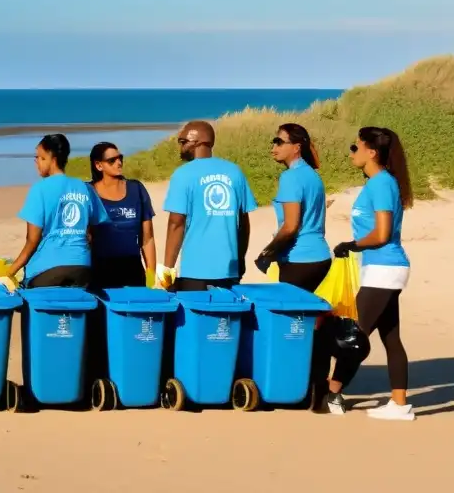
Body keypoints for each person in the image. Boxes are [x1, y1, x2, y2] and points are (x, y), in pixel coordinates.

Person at [325, 127, 414, 421]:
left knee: (353, 336)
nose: (352, 152)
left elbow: (383, 233)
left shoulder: (381, 184)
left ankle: (333, 391)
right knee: (391, 338)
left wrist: (351, 244)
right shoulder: (379, 183)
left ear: (371, 152)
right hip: (383, 268)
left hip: (385, 268)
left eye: (356, 147)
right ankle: (399, 405)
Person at [160, 121, 257, 291]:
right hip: (229, 269)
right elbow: (243, 224)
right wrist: (240, 259)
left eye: (183, 142)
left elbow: (176, 222)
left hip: (195, 271)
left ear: (200, 141)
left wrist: (168, 270)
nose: (181, 147)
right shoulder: (235, 172)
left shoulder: (183, 174)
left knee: (198, 316)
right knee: (226, 317)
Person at [7, 134, 108, 288]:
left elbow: (32, 241)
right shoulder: (84, 187)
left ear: (52, 159)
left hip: (47, 269)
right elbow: (92, 232)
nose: (37, 163)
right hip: (82, 267)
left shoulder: (39, 189)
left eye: (40, 158)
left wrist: (9, 272)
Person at [257, 123, 332, 292]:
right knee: (305, 314)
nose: (274, 147)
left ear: (296, 147)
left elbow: (290, 226)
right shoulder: (313, 175)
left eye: (279, 142)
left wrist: (267, 253)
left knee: (290, 317)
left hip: (300, 259)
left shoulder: (291, 177)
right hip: (320, 256)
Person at [87, 142, 156, 289]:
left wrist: (151, 276)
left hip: (133, 271)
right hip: (100, 272)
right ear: (99, 165)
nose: (118, 163)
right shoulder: (88, 192)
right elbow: (85, 238)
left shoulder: (136, 189)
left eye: (120, 158)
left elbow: (147, 238)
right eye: (112, 160)